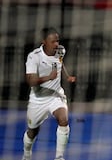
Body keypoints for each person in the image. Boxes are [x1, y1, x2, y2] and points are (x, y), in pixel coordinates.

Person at [22, 27, 76, 160]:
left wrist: (67, 76)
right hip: (38, 99)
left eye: (57, 41)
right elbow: (30, 80)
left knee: (63, 120)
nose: (56, 44)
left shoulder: (60, 51)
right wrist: (48, 77)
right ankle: (27, 154)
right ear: (44, 42)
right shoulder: (34, 57)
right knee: (33, 131)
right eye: (53, 42)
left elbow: (60, 63)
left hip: (56, 95)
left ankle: (59, 157)